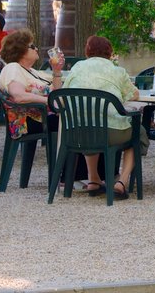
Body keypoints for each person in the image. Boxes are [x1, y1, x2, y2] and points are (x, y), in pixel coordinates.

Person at [64, 36, 142, 200]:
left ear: (87, 51)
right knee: (138, 133)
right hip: (111, 131)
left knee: (90, 120)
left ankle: (93, 180)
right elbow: (134, 94)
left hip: (78, 130)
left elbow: (65, 93)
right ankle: (121, 182)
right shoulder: (117, 71)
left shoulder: (77, 67)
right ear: (110, 52)